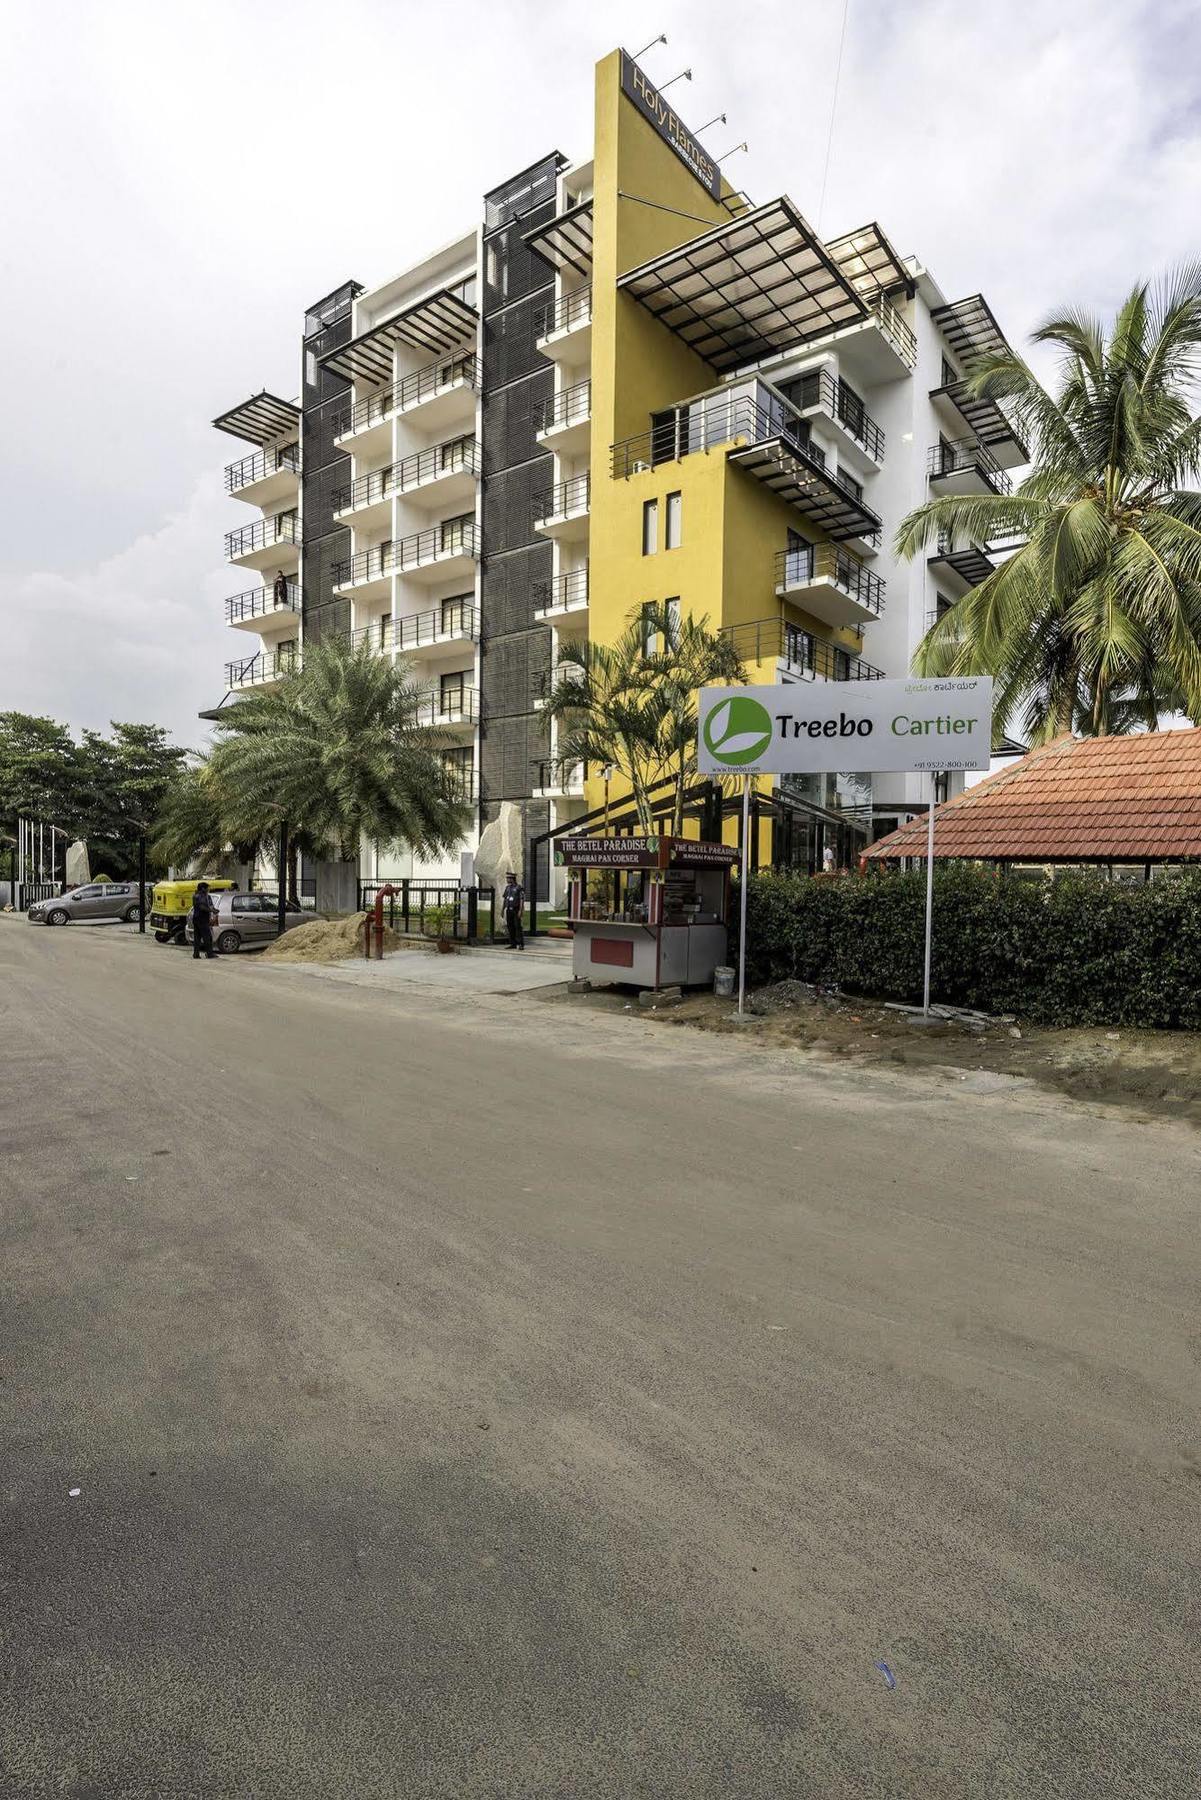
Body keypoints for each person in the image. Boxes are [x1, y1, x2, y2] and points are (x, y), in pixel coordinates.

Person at [191, 881, 217, 960]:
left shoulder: (197, 896)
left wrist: (214, 910)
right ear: (203, 888)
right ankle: (209, 954)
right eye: (207, 888)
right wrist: (212, 911)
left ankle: (196, 954)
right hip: (202, 919)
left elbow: (210, 906)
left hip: (197, 918)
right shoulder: (200, 896)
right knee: (207, 937)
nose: (208, 889)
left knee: (197, 937)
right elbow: (202, 907)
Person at [501, 871, 525, 950]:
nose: (507, 879)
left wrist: (520, 910)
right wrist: (503, 909)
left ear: (512, 879)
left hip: (516, 909)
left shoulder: (518, 887)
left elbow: (521, 899)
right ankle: (513, 943)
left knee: (517, 926)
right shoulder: (507, 888)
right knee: (510, 926)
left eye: (508, 878)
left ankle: (520, 943)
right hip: (509, 910)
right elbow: (505, 899)